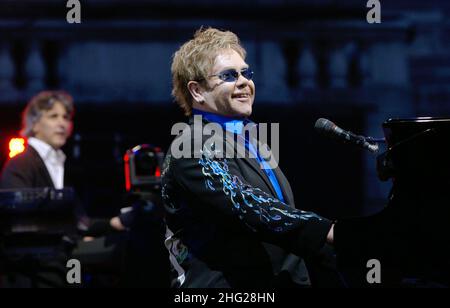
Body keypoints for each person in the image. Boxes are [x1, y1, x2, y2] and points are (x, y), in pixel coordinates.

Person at [161, 27, 342, 288]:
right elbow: (246, 204)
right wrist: (326, 231)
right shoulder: (190, 146)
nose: (244, 81)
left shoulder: (250, 140)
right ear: (197, 91)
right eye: (229, 75)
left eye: (246, 73)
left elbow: (281, 217)